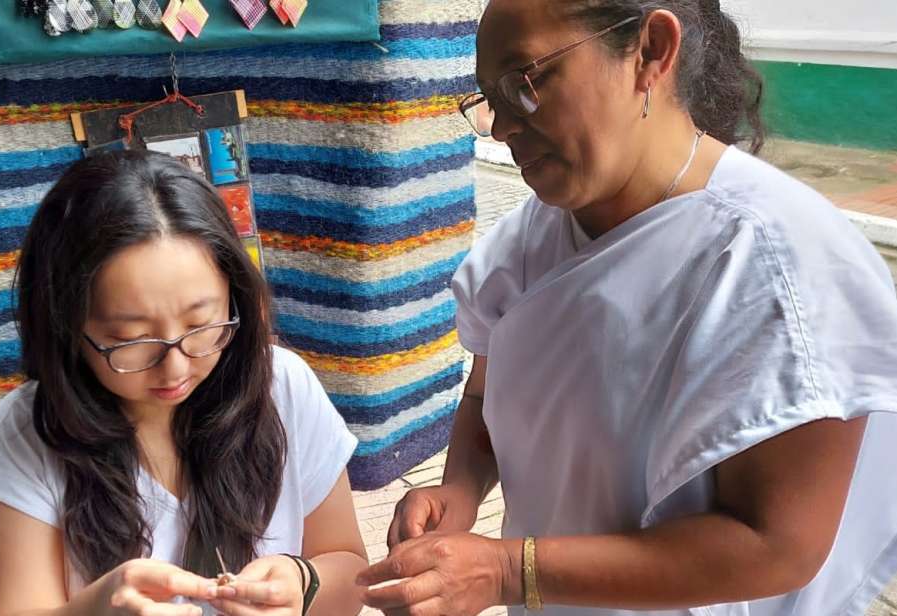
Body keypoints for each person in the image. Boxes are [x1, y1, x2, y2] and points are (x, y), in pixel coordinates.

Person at [358, 1, 897, 614]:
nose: (503, 126)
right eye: (489, 99)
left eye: (526, 82)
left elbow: (778, 546)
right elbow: (486, 394)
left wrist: (510, 570)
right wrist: (459, 488)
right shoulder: (531, 239)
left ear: (650, 53)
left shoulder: (778, 265)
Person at [0, 151, 368, 616]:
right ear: (64, 325)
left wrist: (304, 583)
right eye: (131, 341)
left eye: (201, 324)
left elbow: (350, 570)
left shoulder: (283, 385)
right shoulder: (29, 431)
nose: (175, 368)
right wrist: (93, 610)